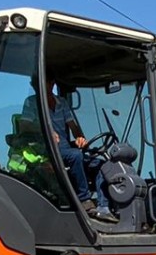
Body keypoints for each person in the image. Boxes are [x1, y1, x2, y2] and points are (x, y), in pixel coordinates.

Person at [48, 82, 115, 223]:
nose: (45, 85)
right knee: (76, 156)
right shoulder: (33, 103)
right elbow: (26, 125)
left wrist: (79, 137)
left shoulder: (62, 102)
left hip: (66, 149)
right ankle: (84, 199)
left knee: (101, 165)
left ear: (52, 82)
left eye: (49, 82)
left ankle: (103, 207)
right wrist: (46, 131)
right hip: (50, 152)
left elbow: (73, 126)